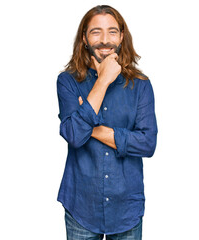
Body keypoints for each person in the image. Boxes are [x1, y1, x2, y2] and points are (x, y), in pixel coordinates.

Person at [56, 5, 158, 240]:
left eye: (112, 32)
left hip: (126, 208)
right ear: (84, 38)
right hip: (81, 205)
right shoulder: (68, 82)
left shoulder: (140, 85)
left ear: (121, 37)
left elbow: (147, 144)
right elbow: (73, 135)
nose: (104, 40)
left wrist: (91, 127)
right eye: (96, 32)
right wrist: (102, 81)